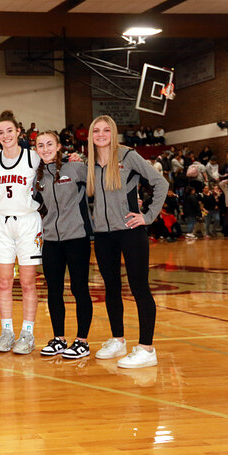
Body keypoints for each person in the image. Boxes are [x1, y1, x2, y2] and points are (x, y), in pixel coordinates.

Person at [87, 115, 168, 368]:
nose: (101, 134)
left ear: (113, 133)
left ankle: (146, 348)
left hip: (130, 231)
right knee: (111, 288)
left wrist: (148, 216)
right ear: (91, 135)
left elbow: (160, 182)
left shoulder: (128, 156)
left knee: (139, 288)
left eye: (106, 130)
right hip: (103, 234)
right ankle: (118, 339)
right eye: (96, 131)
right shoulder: (88, 162)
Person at [0, 110, 42, 354]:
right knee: (4, 282)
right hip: (1, 223)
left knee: (27, 282)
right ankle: (7, 331)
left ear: (18, 132)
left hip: (28, 222)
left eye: (9, 130)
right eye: (0, 132)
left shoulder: (33, 157)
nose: (5, 135)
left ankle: (27, 333)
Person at [34, 131, 95, 359]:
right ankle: (59, 338)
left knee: (79, 289)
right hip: (51, 240)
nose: (46, 148)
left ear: (59, 146)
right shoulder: (38, 177)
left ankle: (82, 341)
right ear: (36, 150)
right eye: (41, 145)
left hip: (77, 238)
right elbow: (37, 204)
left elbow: (98, 186)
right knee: (54, 291)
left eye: (50, 144)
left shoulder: (75, 168)